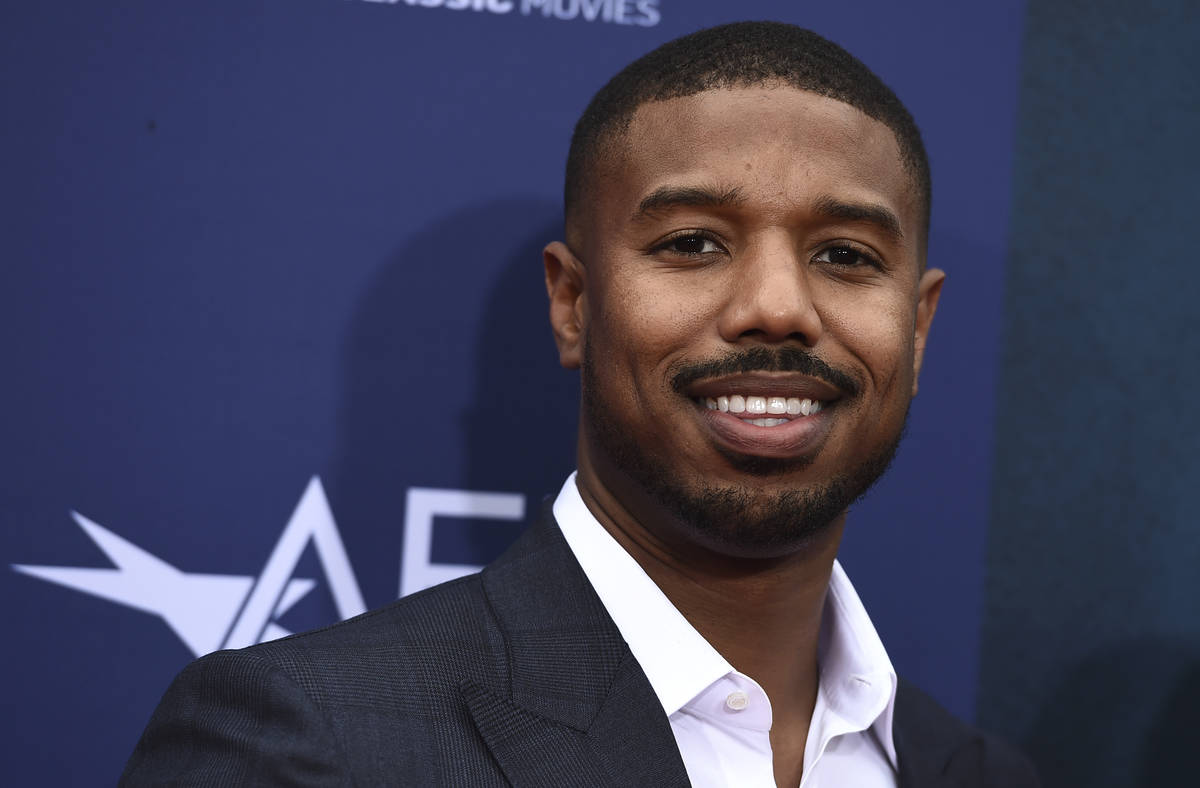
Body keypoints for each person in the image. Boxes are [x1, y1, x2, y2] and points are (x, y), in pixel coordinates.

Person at [121, 21, 1038, 787]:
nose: (779, 308)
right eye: (693, 242)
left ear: (915, 333)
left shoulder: (982, 775)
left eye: (845, 255)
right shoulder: (309, 743)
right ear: (573, 304)